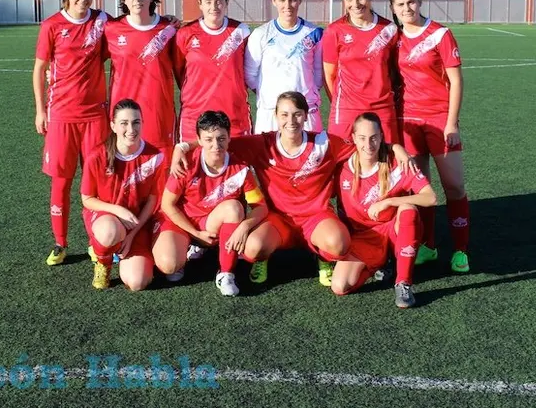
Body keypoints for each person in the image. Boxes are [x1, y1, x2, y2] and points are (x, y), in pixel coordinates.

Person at [172, 91, 416, 287]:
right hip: (278, 219)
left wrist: (395, 147)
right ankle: (264, 259)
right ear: (276, 116)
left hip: (316, 217)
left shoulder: (323, 143)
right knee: (252, 248)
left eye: (297, 114)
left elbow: (365, 145)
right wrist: (182, 147)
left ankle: (321, 256)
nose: (291, 121)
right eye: (285, 115)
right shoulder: (262, 144)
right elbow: (219, 140)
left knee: (339, 244)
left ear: (306, 116)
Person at [389, 0, 471, 274]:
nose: (406, 8)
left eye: (411, 2)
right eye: (400, 4)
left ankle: (461, 249)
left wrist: (451, 122)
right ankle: (428, 246)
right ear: (393, 9)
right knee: (420, 187)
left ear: (420, 1)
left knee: (454, 185)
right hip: (407, 122)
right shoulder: (393, 38)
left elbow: (457, 81)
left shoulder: (440, 35)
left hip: (439, 120)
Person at [33, 0, 108, 266]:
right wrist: (41, 110)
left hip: (95, 117)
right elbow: (39, 69)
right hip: (62, 116)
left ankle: (96, 242)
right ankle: (60, 243)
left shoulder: (101, 21)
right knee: (61, 183)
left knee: (97, 183)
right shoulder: (52, 25)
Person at [332, 113, 437, 308]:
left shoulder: (399, 163)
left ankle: (403, 282)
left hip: (393, 228)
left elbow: (430, 197)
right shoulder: (342, 168)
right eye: (362, 138)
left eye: (373, 137)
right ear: (354, 138)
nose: (368, 144)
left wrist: (390, 202)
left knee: (408, 210)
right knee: (339, 286)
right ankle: (381, 264)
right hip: (365, 236)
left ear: (381, 136)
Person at [158, 110, 268, 296]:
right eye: (208, 139)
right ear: (199, 140)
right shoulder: (186, 163)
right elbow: (167, 205)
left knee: (234, 208)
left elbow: (261, 207)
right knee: (170, 268)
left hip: (211, 224)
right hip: (183, 223)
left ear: (229, 138)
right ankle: (191, 246)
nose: (216, 145)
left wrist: (244, 227)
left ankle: (226, 273)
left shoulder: (240, 169)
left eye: (221, 138)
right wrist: (195, 233)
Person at [81, 99, 165, 290]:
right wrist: (118, 210)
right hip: (106, 218)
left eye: (136, 122)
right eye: (124, 123)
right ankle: (103, 260)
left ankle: (120, 247)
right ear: (113, 125)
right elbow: (87, 199)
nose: (131, 129)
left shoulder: (155, 156)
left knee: (137, 282)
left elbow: (153, 200)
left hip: (137, 223)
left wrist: (132, 233)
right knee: (109, 231)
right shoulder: (97, 156)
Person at [323, 0, 401, 144]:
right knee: (341, 162)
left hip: (382, 107)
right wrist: (340, 103)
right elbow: (329, 75)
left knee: (385, 162)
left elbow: (395, 72)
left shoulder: (389, 29)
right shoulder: (334, 31)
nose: (355, 4)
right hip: (346, 109)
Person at [105, 0, 178, 153]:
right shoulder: (111, 29)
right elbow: (87, 59)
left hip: (159, 112)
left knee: (162, 171)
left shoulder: (169, 30)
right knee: (125, 168)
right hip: (122, 113)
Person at [175, 0, 252, 143]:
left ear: (226, 3)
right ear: (200, 4)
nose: (214, 7)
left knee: (238, 168)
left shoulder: (241, 32)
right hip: (194, 119)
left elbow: (249, 71)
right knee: (193, 167)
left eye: (219, 1)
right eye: (208, 2)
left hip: (235, 118)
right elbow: (179, 72)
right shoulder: (185, 33)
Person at [244, 0, 324, 134]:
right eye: (282, 0)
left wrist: (305, 94)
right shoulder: (261, 34)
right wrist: (269, 94)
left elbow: (319, 74)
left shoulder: (314, 34)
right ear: (273, 1)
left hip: (305, 112)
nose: (287, 5)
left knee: (310, 158)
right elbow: (250, 75)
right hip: (270, 114)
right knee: (267, 159)